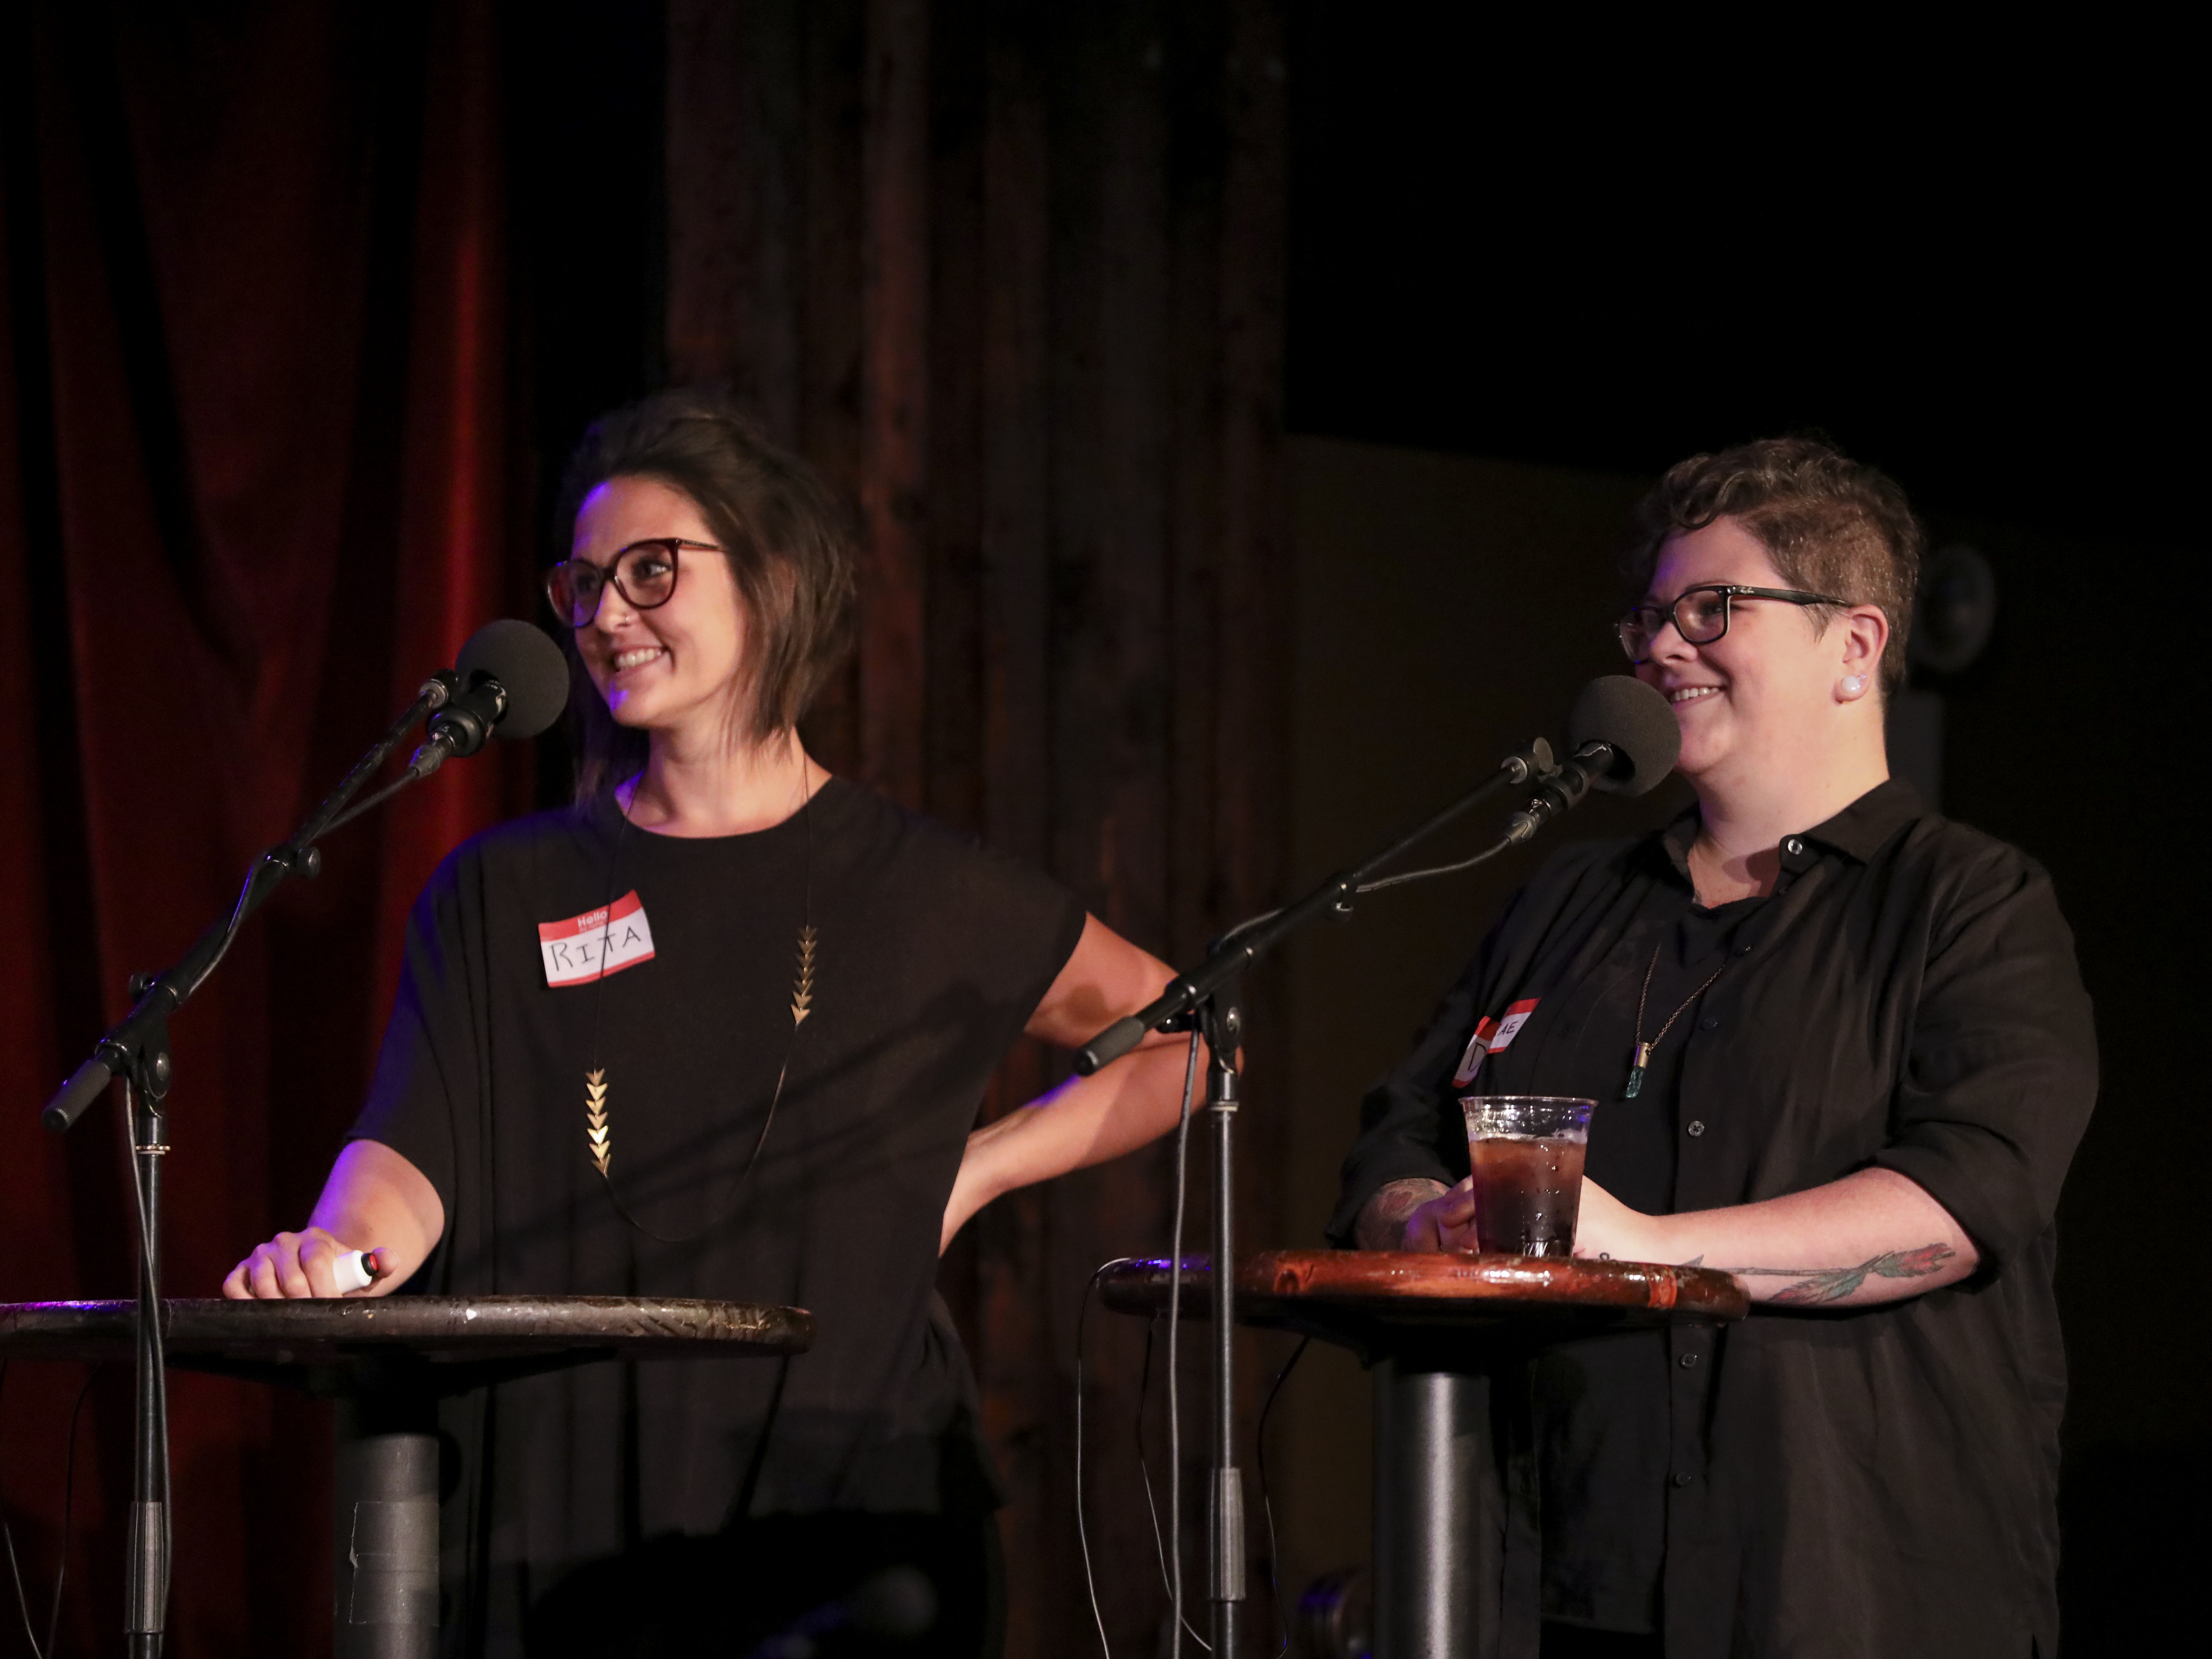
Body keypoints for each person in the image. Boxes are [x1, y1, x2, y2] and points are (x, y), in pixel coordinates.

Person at [225, 389, 1193, 1657]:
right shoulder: (501, 888)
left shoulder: (923, 886)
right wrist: (339, 1249)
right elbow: (411, 1141)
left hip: (843, 1515)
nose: (606, 614)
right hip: (557, 1514)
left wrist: (973, 1171)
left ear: (773, 578)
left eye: (650, 571)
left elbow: (1193, 1036)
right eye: (583, 584)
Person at [1330, 438, 2095, 1659]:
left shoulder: (1972, 903)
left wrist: (1645, 1251)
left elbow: (1965, 1200)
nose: (1657, 646)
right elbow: (1401, 1128)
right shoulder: (1567, 897)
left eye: (1710, 609)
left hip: (1837, 1595)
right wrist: (1417, 1217)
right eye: (1646, 616)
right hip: (1546, 1582)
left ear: (1853, 646)